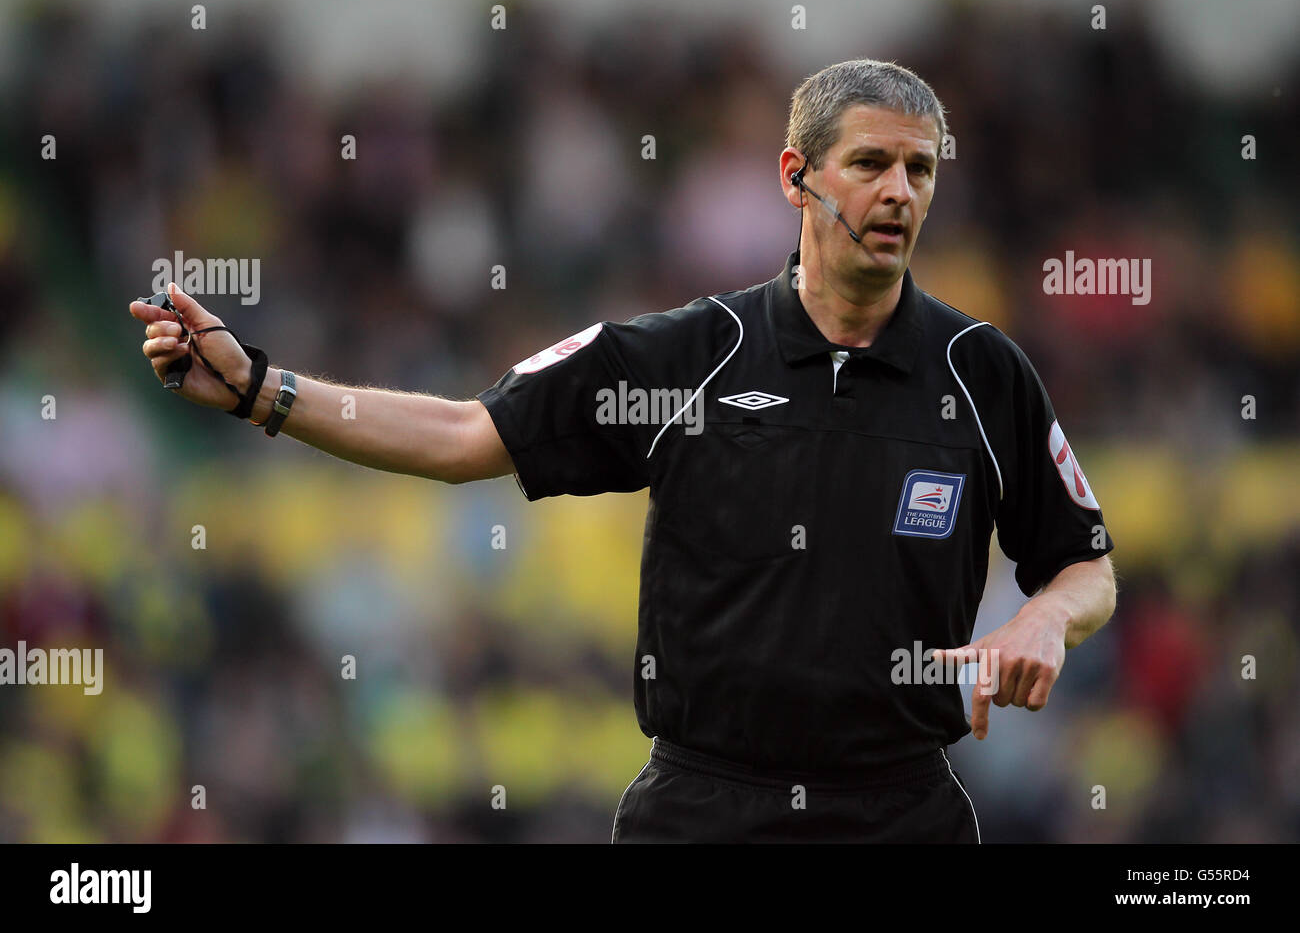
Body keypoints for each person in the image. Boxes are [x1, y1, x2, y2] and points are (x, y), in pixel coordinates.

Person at [131, 58, 1116, 843]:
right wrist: (267, 390)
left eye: (920, 168)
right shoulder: (684, 355)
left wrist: (1044, 620)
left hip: (903, 811)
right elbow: (464, 433)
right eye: (868, 164)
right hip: (704, 810)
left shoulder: (981, 373)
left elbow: (1084, 564)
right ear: (794, 176)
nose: (898, 191)